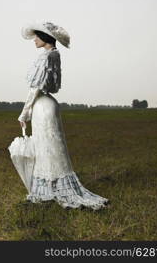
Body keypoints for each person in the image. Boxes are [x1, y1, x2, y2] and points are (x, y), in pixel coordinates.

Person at [17, 21, 109, 209]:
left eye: (37, 36)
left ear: (44, 38)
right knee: (54, 147)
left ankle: (50, 189)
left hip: (42, 105)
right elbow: (53, 87)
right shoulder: (55, 55)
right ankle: (54, 186)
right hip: (50, 104)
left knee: (46, 147)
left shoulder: (45, 58)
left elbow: (34, 88)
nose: (34, 39)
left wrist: (24, 113)